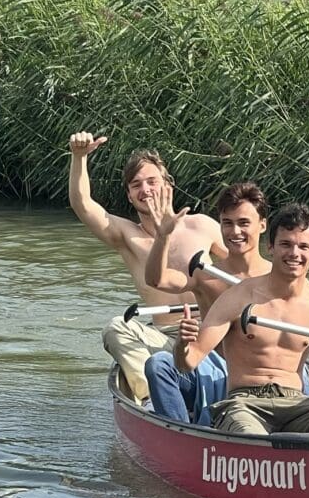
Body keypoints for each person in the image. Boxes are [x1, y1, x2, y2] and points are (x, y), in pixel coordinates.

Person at [175, 203, 309, 436]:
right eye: (286, 244)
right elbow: (188, 362)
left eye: (303, 246)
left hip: (296, 404)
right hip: (245, 403)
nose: (294, 254)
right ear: (271, 247)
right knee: (251, 436)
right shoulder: (238, 297)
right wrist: (182, 344)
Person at [67, 131, 221, 400]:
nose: (146, 190)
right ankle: (152, 398)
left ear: (168, 185)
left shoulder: (203, 225)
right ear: (129, 196)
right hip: (166, 339)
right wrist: (79, 157)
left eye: (152, 181)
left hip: (213, 332)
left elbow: (245, 264)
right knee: (116, 327)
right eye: (136, 185)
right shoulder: (127, 236)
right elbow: (83, 204)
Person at [140, 181, 271, 425]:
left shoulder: (278, 277)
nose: (235, 232)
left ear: (262, 225)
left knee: (301, 369)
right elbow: (156, 279)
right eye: (227, 223)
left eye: (244, 223)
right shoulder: (206, 274)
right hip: (213, 368)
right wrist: (163, 236)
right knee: (158, 364)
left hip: (263, 374)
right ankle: (182, 436)